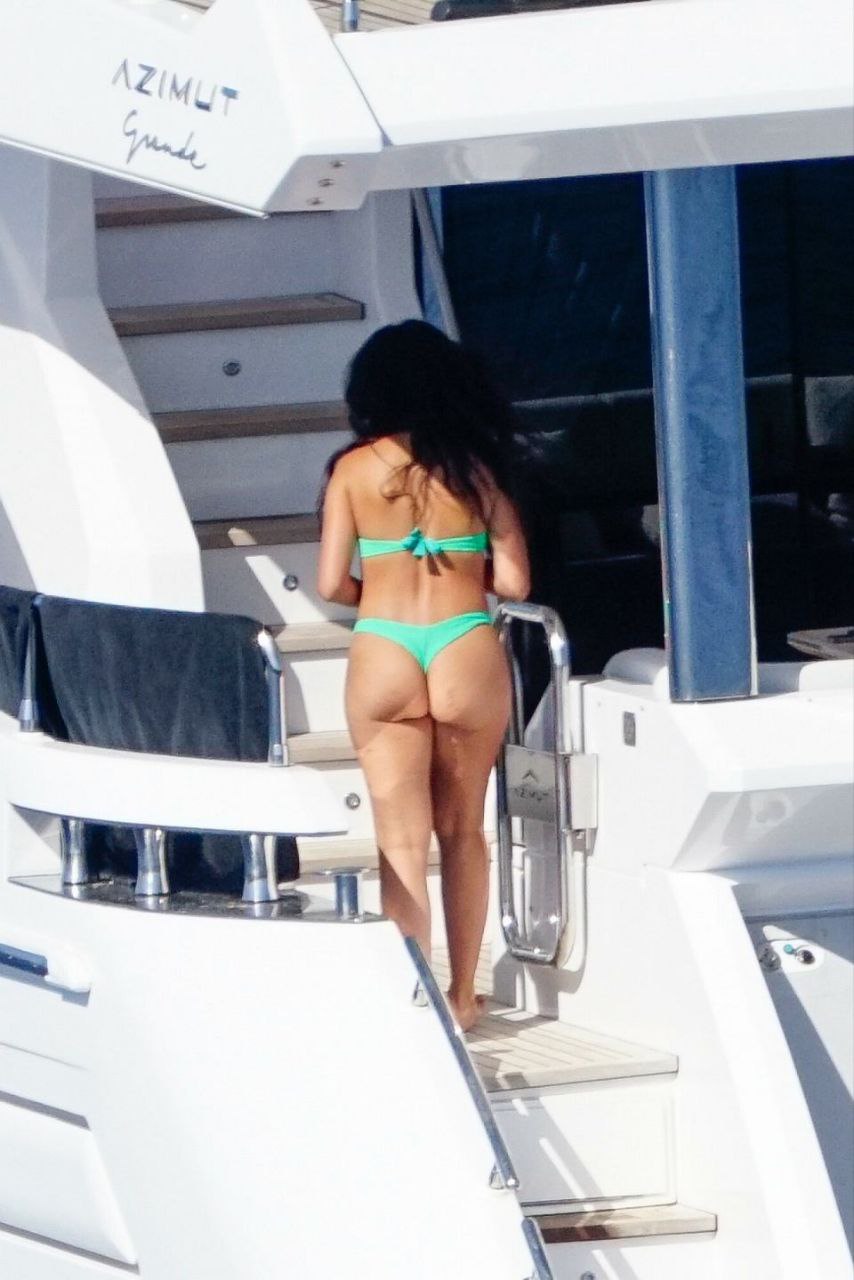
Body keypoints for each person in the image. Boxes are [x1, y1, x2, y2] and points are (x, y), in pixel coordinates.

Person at [318, 320, 530, 1031]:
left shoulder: (353, 470)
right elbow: (516, 583)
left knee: (400, 841)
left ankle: (416, 1000)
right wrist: (463, 572)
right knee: (463, 831)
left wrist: (378, 589)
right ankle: (464, 997)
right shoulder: (478, 470)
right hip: (464, 642)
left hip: (384, 645)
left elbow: (329, 583)